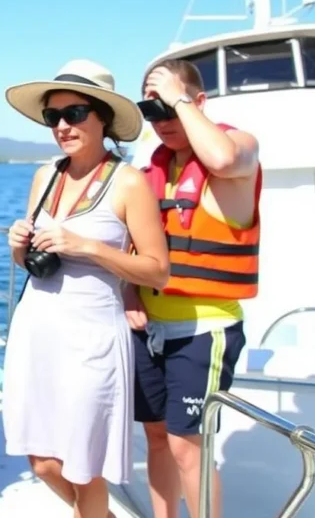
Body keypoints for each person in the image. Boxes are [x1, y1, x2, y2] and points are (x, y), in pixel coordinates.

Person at [2, 59, 170, 518]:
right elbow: (34, 262)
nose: (62, 125)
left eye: (74, 113)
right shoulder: (45, 176)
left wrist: (88, 245)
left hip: (91, 339)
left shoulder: (129, 182)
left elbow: (156, 271)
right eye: (53, 116)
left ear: (102, 118)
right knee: (41, 461)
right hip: (38, 332)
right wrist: (19, 247)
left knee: (83, 468)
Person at [124, 58, 259, 518]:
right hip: (149, 327)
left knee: (188, 447)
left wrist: (178, 100)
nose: (162, 121)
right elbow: (136, 247)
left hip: (205, 329)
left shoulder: (239, 147)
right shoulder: (151, 170)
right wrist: (127, 295)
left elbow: (220, 158)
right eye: (152, 110)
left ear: (197, 103)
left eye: (170, 107)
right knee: (157, 439)